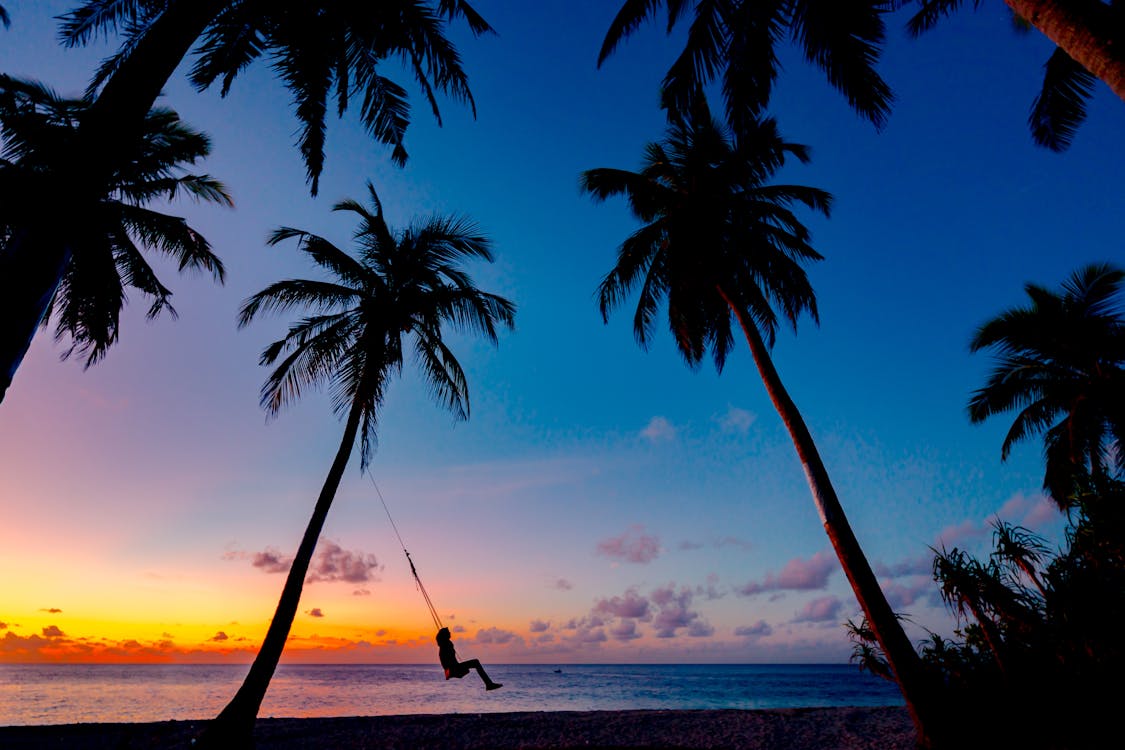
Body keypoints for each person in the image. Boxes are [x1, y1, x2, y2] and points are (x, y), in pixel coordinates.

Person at [436, 627, 502, 690]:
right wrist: (450, 672)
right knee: (475, 662)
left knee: (474, 663)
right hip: (452, 669)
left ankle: (489, 684)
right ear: (445, 635)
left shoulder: (446, 644)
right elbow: (446, 662)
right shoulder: (444, 646)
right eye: (448, 632)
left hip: (453, 668)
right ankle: (489, 684)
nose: (450, 633)